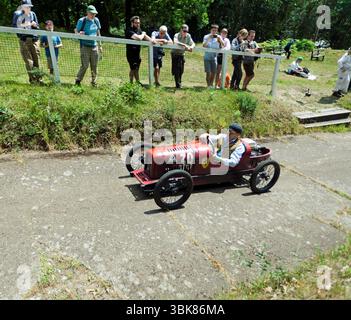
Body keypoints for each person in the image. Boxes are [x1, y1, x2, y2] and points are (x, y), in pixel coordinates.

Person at [12, 0, 42, 84]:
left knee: (37, 60)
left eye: (29, 6)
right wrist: (27, 24)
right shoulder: (17, 14)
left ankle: (39, 79)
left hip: (35, 39)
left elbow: (37, 26)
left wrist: (35, 25)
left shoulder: (33, 14)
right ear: (22, 6)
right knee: (29, 61)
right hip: (24, 40)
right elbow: (14, 26)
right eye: (26, 6)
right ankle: (33, 80)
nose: (28, 8)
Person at [75, 5, 102, 87]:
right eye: (91, 13)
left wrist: (100, 45)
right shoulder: (81, 21)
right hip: (84, 46)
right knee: (85, 65)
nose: (93, 15)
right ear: (87, 12)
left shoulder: (96, 20)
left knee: (94, 65)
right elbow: (76, 31)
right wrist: (79, 34)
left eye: (94, 13)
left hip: (94, 46)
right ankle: (78, 81)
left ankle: (94, 82)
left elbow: (98, 33)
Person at [126, 16, 155, 84]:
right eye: (136, 23)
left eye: (139, 23)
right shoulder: (129, 30)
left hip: (137, 54)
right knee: (133, 69)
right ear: (132, 23)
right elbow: (139, 38)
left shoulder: (139, 30)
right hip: (130, 54)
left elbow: (145, 36)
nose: (138, 24)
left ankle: (137, 82)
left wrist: (152, 40)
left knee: (136, 69)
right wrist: (143, 34)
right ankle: (131, 83)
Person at [171, 24, 195, 89]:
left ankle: (179, 82)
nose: (185, 32)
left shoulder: (188, 36)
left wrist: (191, 47)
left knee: (181, 70)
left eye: (186, 31)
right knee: (176, 70)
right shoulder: (176, 35)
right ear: (181, 30)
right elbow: (175, 42)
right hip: (175, 54)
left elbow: (193, 43)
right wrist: (185, 45)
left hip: (181, 54)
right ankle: (178, 84)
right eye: (184, 31)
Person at [203, 24, 224, 89]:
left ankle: (211, 85)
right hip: (207, 57)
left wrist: (220, 40)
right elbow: (204, 45)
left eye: (215, 30)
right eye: (213, 30)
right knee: (208, 72)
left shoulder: (219, 37)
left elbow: (223, 46)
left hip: (214, 58)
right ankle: (208, 85)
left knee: (214, 72)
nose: (214, 32)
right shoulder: (206, 36)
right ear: (210, 30)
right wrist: (209, 38)